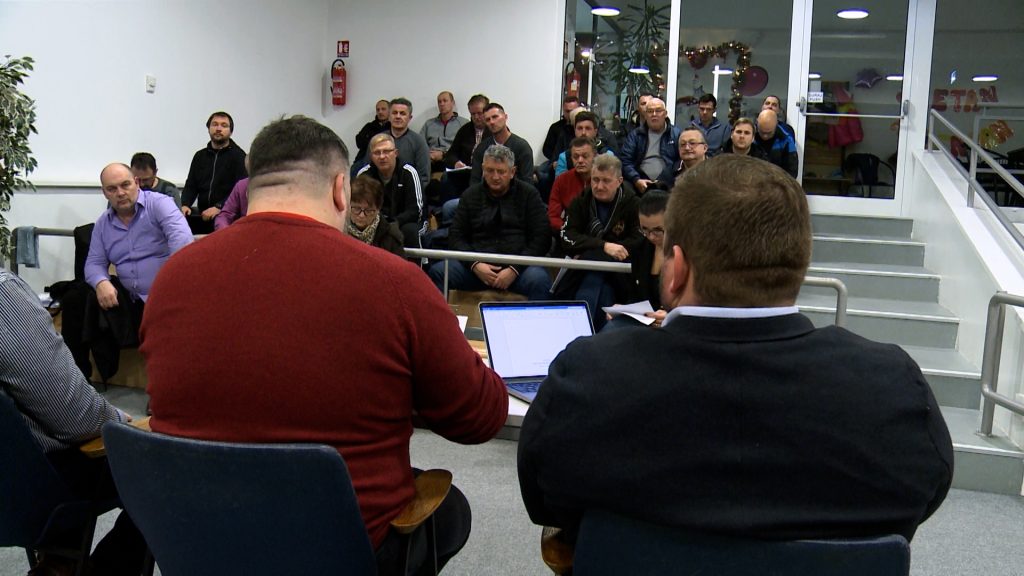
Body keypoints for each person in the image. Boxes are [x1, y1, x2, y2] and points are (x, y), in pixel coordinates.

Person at [518, 154, 954, 544]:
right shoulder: (893, 389)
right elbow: (921, 499)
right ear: (799, 265)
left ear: (677, 269)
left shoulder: (587, 378)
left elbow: (544, 499)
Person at [140, 115, 508, 576]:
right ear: (340, 189)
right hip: (339, 548)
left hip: (199, 541)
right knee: (451, 512)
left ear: (252, 186)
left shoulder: (172, 277)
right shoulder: (394, 282)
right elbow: (479, 418)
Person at [1, 265, 147, 576]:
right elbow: (74, 415)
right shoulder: (3, 293)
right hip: (29, 488)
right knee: (162, 463)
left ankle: (60, 564)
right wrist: (119, 420)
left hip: (15, 478)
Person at [84, 163, 193, 378]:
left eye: (125, 185)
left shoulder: (160, 204)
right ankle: (84, 376)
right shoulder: (103, 224)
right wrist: (101, 282)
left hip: (167, 297)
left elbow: (182, 242)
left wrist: (168, 285)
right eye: (112, 189)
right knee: (77, 297)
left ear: (136, 182)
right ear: (104, 193)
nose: (120, 193)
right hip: (131, 300)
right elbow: (93, 262)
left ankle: (168, 387)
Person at [429, 144, 551, 301]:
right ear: (482, 169)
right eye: (490, 170)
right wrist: (475, 264)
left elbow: (542, 237)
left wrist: (514, 269)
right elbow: (456, 236)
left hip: (519, 269)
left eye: (501, 172)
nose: (495, 177)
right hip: (476, 269)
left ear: (512, 172)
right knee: (438, 272)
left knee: (540, 280)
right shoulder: (470, 195)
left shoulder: (529, 194)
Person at [556, 155, 642, 330]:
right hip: (587, 272)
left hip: (621, 275)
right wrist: (604, 247)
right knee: (600, 283)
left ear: (619, 181)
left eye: (606, 181)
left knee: (595, 274)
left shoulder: (634, 204)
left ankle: (580, 330)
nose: (599, 186)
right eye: (595, 180)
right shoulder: (581, 201)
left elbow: (639, 241)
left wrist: (590, 252)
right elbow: (566, 237)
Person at [607, 190, 669, 329]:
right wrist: (624, 309)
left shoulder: (689, 253)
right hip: (645, 321)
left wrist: (670, 316)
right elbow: (636, 294)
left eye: (658, 230)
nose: (651, 236)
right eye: (644, 229)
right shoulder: (640, 248)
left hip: (672, 324)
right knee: (611, 328)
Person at [180, 111, 248, 234]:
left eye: (224, 125)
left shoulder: (239, 157)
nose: (218, 128)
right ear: (208, 128)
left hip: (227, 218)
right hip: (201, 216)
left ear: (231, 131)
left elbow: (240, 190)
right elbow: (191, 185)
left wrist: (219, 207)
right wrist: (185, 204)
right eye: (215, 124)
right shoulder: (199, 156)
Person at [356, 133, 425, 247]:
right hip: (375, 221)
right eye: (377, 153)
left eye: (386, 151)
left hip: (406, 222)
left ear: (395, 153)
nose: (382, 156)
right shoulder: (364, 175)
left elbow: (416, 210)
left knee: (409, 231)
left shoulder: (409, 173)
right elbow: (358, 207)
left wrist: (394, 222)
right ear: (371, 156)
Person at [620, 98, 681, 194]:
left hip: (668, 184)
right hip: (639, 182)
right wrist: (636, 179)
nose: (654, 114)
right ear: (645, 115)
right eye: (650, 111)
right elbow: (626, 160)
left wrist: (667, 179)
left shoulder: (676, 134)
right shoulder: (635, 135)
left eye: (658, 110)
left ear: (665, 114)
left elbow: (680, 161)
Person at [469, 103, 534, 185]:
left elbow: (527, 182)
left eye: (495, 117)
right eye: (488, 120)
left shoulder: (522, 147)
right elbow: (474, 181)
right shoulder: (481, 148)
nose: (492, 122)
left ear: (505, 117)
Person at [346, 175, 404, 257]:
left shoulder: (391, 236)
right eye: (356, 209)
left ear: (378, 209)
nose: (362, 215)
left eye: (368, 211)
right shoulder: (338, 230)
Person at [548, 137, 596, 234]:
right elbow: (553, 216)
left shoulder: (603, 179)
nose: (580, 160)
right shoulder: (562, 180)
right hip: (570, 231)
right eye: (576, 157)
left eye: (585, 156)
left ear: (594, 156)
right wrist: (565, 230)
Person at [553, 110, 616, 177]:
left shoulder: (608, 156)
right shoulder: (565, 157)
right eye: (580, 128)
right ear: (575, 130)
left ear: (595, 131)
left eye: (588, 128)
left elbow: (611, 181)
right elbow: (560, 182)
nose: (583, 133)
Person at [388, 97, 431, 187]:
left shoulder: (419, 142)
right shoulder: (378, 140)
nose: (398, 116)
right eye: (394, 113)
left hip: (410, 191)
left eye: (402, 113)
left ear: (409, 118)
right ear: (389, 116)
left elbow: (424, 177)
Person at [421, 91, 468, 172]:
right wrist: (429, 154)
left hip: (453, 160)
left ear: (452, 103)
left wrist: (443, 154)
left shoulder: (463, 123)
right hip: (431, 161)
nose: (442, 104)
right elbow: (420, 144)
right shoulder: (429, 124)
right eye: (439, 102)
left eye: (445, 101)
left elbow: (465, 147)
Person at [754, 109, 799, 177]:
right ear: (757, 123)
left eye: (769, 133)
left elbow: (792, 171)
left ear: (776, 125)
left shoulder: (786, 140)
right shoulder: (749, 136)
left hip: (777, 180)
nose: (765, 136)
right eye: (762, 132)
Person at [354, 99, 391, 164]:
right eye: (378, 110)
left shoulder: (393, 128)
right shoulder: (369, 126)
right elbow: (359, 142)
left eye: (383, 109)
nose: (380, 112)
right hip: (364, 159)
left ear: (390, 111)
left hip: (384, 160)